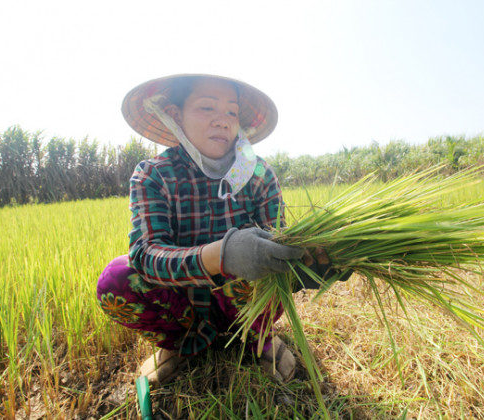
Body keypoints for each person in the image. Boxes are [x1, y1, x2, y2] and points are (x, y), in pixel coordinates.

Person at [97, 73, 344, 387]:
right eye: (206, 108)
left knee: (266, 266)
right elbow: (145, 256)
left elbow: (281, 246)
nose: (222, 121)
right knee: (117, 279)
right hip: (184, 306)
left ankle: (259, 338)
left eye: (231, 112)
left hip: (244, 304)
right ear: (175, 115)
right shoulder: (154, 175)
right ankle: (179, 344)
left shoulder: (258, 174)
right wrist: (222, 255)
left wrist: (310, 264)